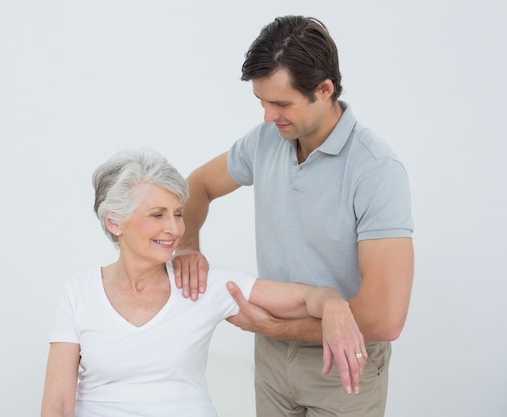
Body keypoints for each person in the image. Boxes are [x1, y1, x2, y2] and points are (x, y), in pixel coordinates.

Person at [172, 15, 414, 417]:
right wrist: (186, 248)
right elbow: (198, 185)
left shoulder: (376, 169)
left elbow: (385, 318)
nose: (268, 116)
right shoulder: (267, 138)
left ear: (324, 89)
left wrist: (277, 327)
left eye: (281, 103)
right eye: (262, 102)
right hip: (271, 358)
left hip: (341, 361)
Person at [41, 148, 367, 417]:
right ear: (114, 222)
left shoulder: (201, 285)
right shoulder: (79, 293)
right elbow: (56, 406)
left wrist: (333, 305)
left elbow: (306, 298)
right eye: (158, 215)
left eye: (178, 213)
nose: (174, 228)